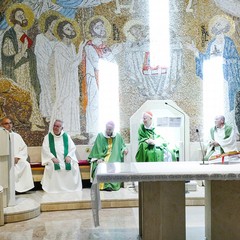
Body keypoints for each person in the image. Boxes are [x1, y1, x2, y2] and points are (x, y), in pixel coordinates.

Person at [1, 3, 45, 131]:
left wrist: (27, 52)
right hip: (17, 71)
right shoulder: (9, 35)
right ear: (14, 18)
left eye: (23, 14)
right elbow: (8, 56)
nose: (23, 17)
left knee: (31, 92)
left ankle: (34, 123)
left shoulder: (23, 32)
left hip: (27, 69)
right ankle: (22, 123)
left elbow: (29, 52)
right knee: (23, 95)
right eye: (20, 15)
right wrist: (23, 50)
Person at [49, 18, 85, 138]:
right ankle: (65, 131)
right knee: (64, 103)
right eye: (67, 29)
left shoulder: (71, 46)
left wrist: (78, 49)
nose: (71, 30)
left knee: (73, 102)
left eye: (71, 28)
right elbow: (70, 65)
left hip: (72, 80)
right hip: (64, 81)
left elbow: (75, 63)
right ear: (62, 32)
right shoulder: (59, 47)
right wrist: (80, 49)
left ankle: (74, 131)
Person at [41, 119, 82, 193]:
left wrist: (69, 156)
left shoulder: (66, 136)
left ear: (62, 128)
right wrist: (52, 158)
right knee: (52, 166)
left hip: (65, 158)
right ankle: (54, 189)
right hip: (53, 158)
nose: (55, 128)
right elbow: (45, 149)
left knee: (74, 165)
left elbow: (72, 148)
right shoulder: (48, 137)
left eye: (58, 126)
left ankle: (70, 188)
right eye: (54, 126)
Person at [88, 121, 128, 191]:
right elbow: (97, 148)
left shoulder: (117, 136)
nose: (108, 131)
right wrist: (99, 158)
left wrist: (125, 149)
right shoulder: (100, 135)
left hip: (114, 156)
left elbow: (122, 145)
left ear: (113, 129)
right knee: (101, 165)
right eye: (107, 129)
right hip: (102, 156)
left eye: (110, 129)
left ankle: (111, 185)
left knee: (113, 165)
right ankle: (103, 185)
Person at [0, 117, 34, 193]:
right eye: (6, 123)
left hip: (16, 160)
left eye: (10, 123)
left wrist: (18, 157)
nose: (9, 125)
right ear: (1, 125)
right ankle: (7, 189)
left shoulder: (16, 136)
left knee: (25, 164)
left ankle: (22, 189)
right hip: (3, 161)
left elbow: (23, 148)